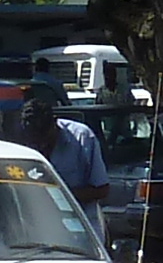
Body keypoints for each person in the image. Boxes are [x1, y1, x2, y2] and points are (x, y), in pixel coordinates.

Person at [13, 79, 106, 212]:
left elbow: (101, 189)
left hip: (79, 224)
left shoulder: (82, 138)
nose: (42, 144)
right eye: (36, 140)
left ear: (55, 122)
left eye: (45, 137)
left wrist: (58, 195)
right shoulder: (22, 142)